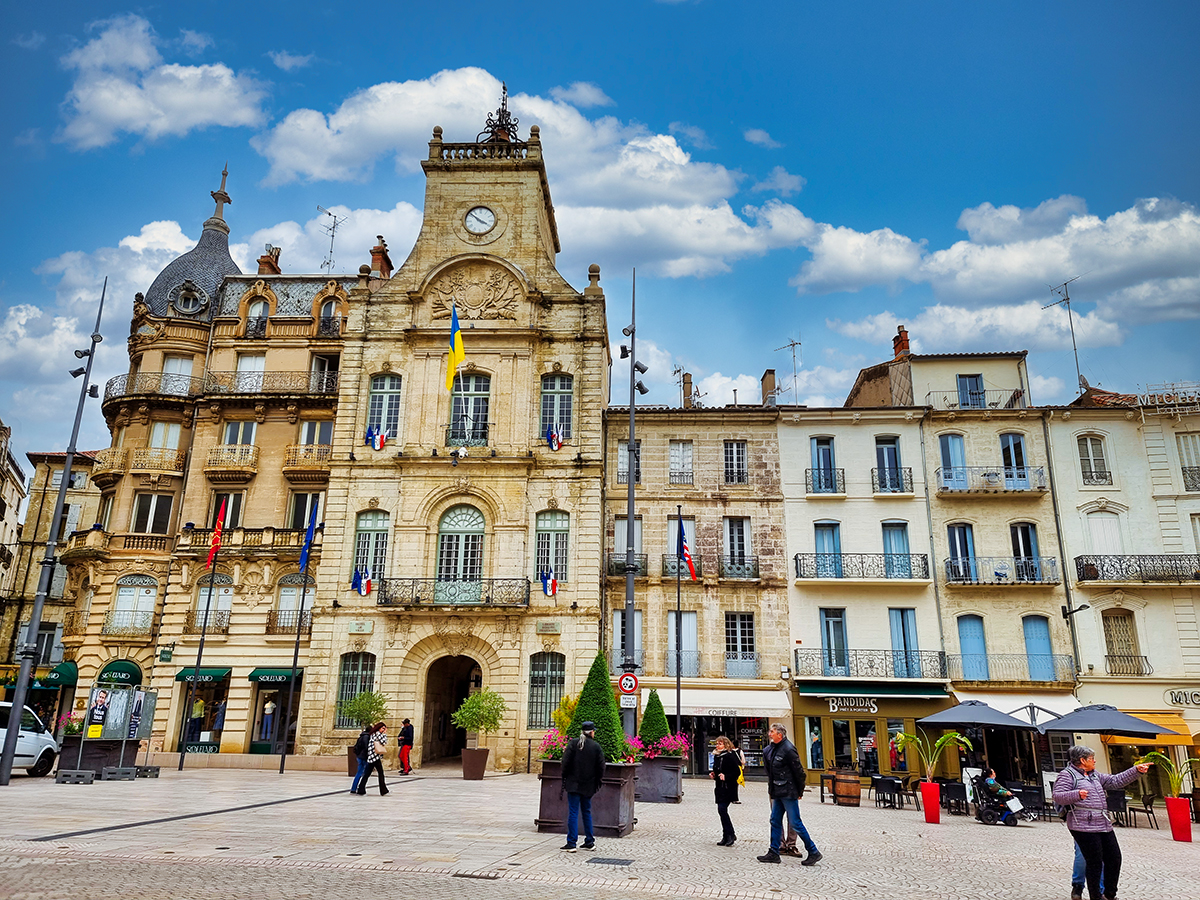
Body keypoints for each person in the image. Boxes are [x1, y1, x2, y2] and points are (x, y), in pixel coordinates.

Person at [1053, 745, 1151, 900]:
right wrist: (1076, 794)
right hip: (1082, 825)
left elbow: (1114, 781)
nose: (1094, 761)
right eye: (1091, 758)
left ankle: (1109, 894)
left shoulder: (1094, 774)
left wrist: (1136, 770)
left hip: (1103, 823)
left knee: (1114, 858)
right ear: (1082, 760)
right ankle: (1096, 896)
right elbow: (1058, 796)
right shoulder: (1067, 775)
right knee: (1095, 862)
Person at [757, 723, 821, 866]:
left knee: (795, 822)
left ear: (780, 734)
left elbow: (799, 772)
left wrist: (799, 791)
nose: (769, 734)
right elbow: (770, 772)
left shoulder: (788, 749)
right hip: (777, 791)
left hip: (788, 791)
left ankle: (813, 851)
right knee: (774, 820)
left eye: (772, 732)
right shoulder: (771, 749)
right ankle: (774, 852)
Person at [559, 720, 605, 852]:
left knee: (573, 812)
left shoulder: (574, 743)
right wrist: (597, 781)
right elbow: (601, 767)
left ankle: (572, 843)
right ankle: (589, 841)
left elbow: (565, 762)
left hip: (573, 783)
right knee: (587, 812)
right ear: (591, 732)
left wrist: (565, 776)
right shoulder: (596, 747)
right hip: (588, 784)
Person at [709, 735, 740, 846]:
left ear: (726, 745)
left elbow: (737, 772)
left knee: (722, 809)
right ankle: (726, 835)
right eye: (717, 743)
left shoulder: (730, 756)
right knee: (721, 811)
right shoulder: (717, 756)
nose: (717, 745)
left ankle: (730, 834)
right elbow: (717, 770)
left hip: (728, 787)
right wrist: (714, 774)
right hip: (719, 787)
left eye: (720, 743)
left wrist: (726, 776)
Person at [356, 721, 389, 796]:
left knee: (367, 774)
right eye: (383, 728)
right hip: (374, 757)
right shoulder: (377, 734)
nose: (383, 730)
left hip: (372, 756)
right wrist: (385, 734)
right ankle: (383, 790)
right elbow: (384, 741)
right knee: (380, 773)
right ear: (379, 728)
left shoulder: (374, 734)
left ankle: (361, 789)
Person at [350, 723, 373, 794]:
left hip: (359, 756)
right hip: (363, 757)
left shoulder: (361, 736)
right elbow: (366, 747)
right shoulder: (367, 737)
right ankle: (356, 788)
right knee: (361, 773)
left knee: (360, 772)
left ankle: (354, 788)